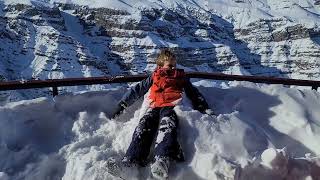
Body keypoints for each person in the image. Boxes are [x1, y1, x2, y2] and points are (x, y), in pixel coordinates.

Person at [112, 49, 215, 179]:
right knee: (143, 127)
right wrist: (123, 104)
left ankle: (161, 159)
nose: (173, 67)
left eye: (174, 65)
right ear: (160, 66)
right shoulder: (154, 76)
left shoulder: (180, 77)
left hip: (171, 106)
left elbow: (193, 93)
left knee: (167, 127)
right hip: (154, 106)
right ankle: (130, 161)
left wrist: (203, 107)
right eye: (170, 65)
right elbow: (137, 90)